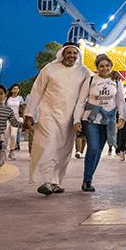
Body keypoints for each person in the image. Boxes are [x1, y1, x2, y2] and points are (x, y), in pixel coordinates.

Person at [24, 42, 93, 196]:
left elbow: (98, 82)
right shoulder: (49, 69)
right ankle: (46, 181)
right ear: (62, 54)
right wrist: (29, 114)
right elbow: (36, 91)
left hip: (70, 119)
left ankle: (56, 182)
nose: (72, 56)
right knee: (48, 146)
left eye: (75, 54)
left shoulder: (84, 71)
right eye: (69, 53)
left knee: (64, 150)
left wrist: (114, 77)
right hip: (49, 115)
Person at [75, 53, 126, 192]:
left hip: (108, 119)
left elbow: (121, 100)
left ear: (111, 66)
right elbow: (81, 101)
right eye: (102, 66)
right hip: (91, 118)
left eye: (107, 65)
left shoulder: (116, 80)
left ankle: (89, 178)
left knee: (98, 150)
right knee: (93, 147)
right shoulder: (91, 80)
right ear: (97, 67)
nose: (105, 68)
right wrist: (76, 120)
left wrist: (122, 116)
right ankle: (86, 180)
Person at [4, 84, 25, 159]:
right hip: (7, 117)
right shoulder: (7, 98)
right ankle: (3, 152)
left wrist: (22, 117)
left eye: (17, 89)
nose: (16, 90)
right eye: (14, 89)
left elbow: (23, 108)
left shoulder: (20, 98)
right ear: (11, 90)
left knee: (13, 135)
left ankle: (12, 151)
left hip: (15, 117)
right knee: (5, 135)